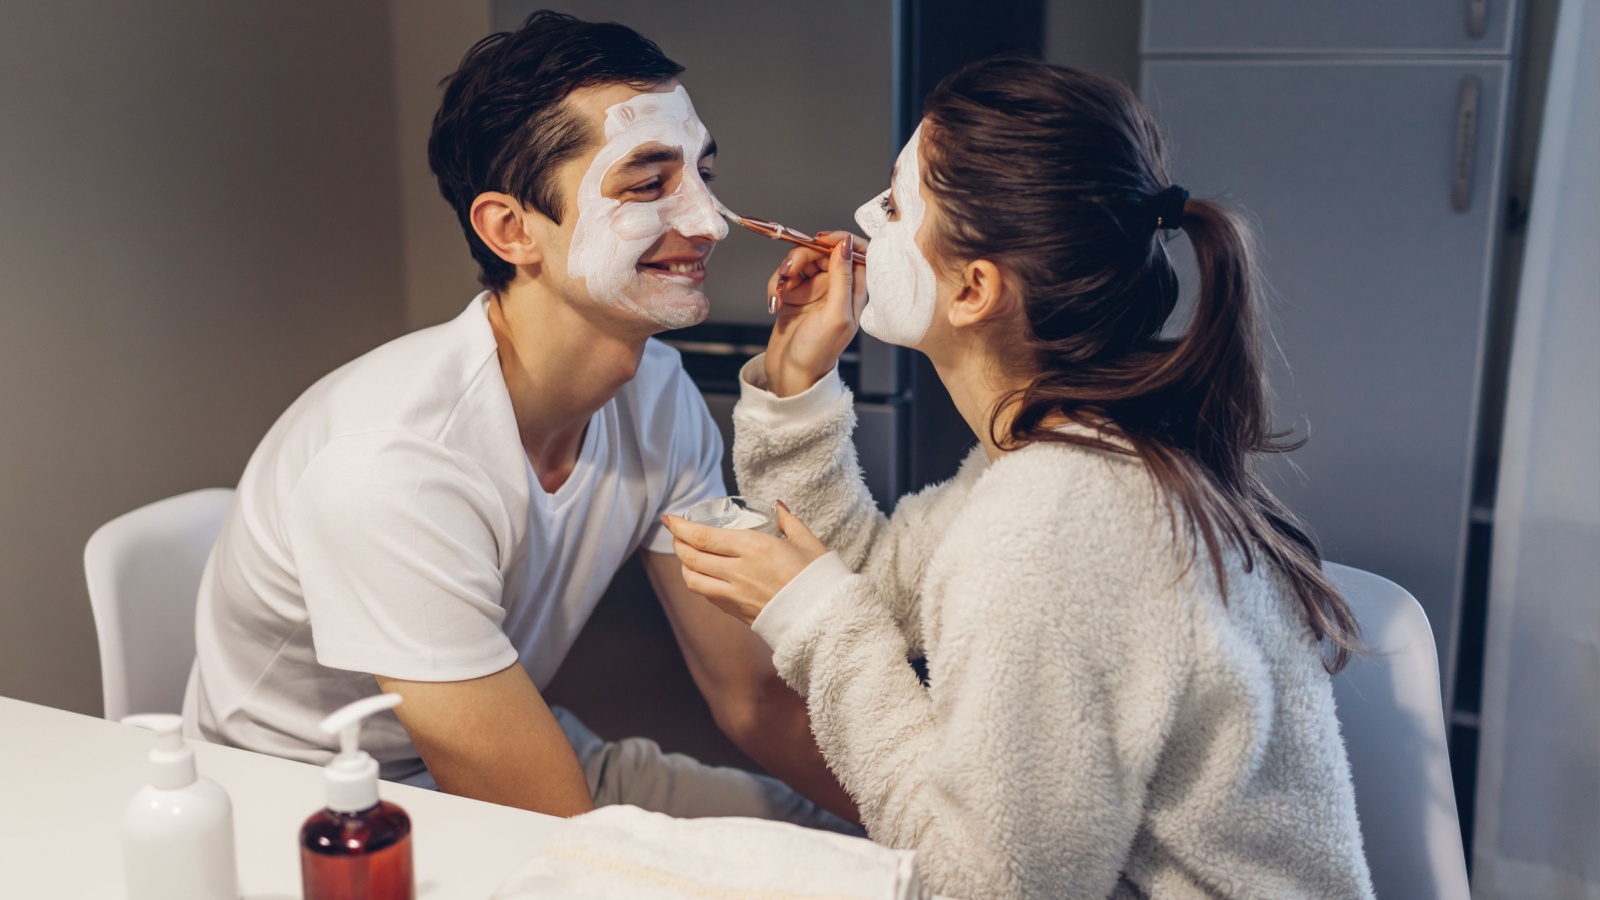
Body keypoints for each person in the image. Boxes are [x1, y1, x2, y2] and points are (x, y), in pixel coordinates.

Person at [664, 56, 1375, 897]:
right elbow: (885, 586)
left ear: (973, 290)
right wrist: (796, 391)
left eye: (893, 206)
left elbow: (984, 888)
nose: (861, 220)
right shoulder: (1069, 455)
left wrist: (818, 621)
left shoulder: (1056, 519)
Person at [182, 10, 853, 829]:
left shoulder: (659, 392)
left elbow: (751, 697)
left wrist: (929, 834)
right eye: (648, 183)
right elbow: (549, 833)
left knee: (844, 850)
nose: (708, 222)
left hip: (518, 763)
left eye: (702, 176)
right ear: (511, 230)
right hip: (322, 814)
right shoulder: (392, 465)